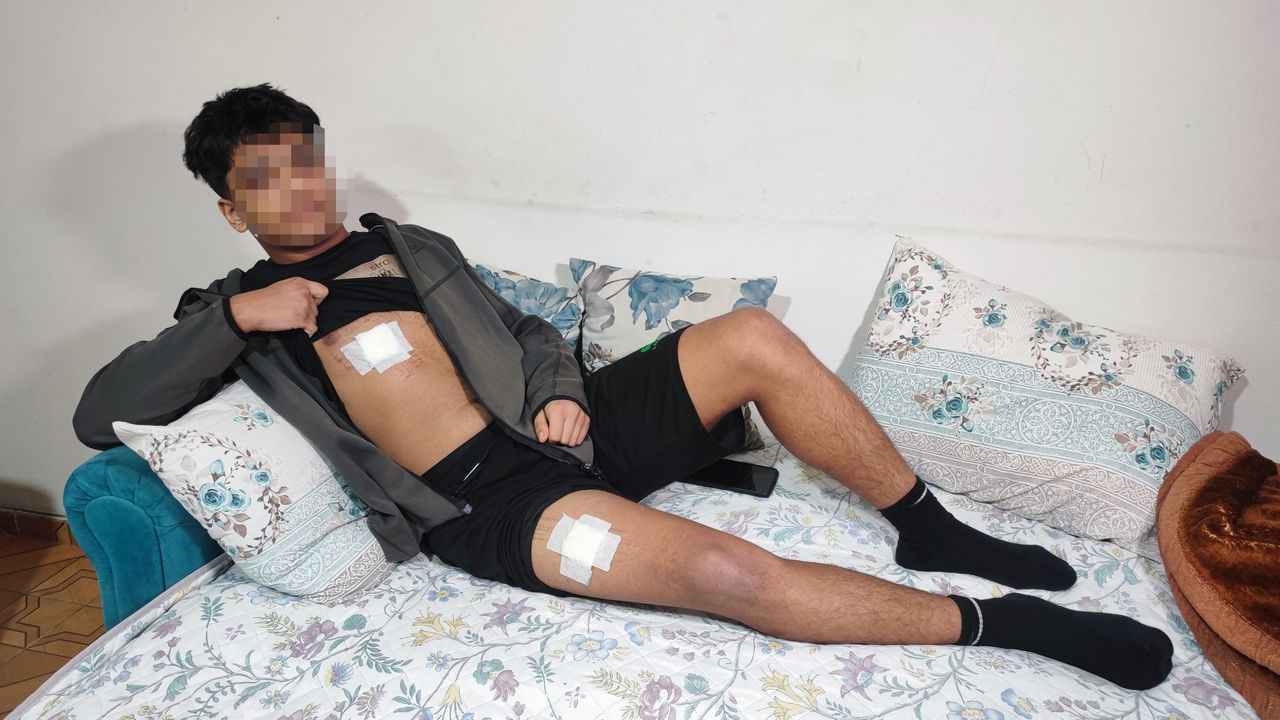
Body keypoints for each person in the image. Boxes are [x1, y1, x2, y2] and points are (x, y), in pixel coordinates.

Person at [73, 83, 1173, 691]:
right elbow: (98, 413)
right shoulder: (233, 314)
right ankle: (999, 622)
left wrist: (559, 386)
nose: (300, 189)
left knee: (748, 337)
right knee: (720, 571)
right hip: (492, 502)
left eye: (305, 159)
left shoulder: (409, 244)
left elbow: (528, 329)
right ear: (231, 208)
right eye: (265, 180)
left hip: (566, 430)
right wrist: (235, 317)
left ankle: (925, 523)